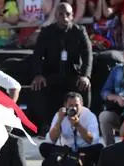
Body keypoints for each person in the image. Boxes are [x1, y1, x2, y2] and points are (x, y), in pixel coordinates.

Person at [31, 3, 93, 131]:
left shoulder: (79, 31)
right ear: (55, 16)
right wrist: (38, 74)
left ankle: (84, 122)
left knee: (85, 85)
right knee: (37, 85)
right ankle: (45, 125)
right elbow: (37, 55)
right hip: (52, 73)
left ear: (72, 16)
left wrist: (85, 76)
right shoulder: (46, 32)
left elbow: (87, 55)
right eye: (61, 14)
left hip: (73, 73)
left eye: (68, 14)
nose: (64, 17)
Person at [40, 92, 103, 166]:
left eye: (76, 105)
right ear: (65, 105)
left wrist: (78, 125)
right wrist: (59, 120)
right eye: (71, 105)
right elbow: (52, 139)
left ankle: (65, 163)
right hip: (65, 150)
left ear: (82, 104)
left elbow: (92, 140)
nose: (74, 108)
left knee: (99, 148)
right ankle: (78, 163)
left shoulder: (89, 116)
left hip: (83, 150)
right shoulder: (59, 115)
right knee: (44, 147)